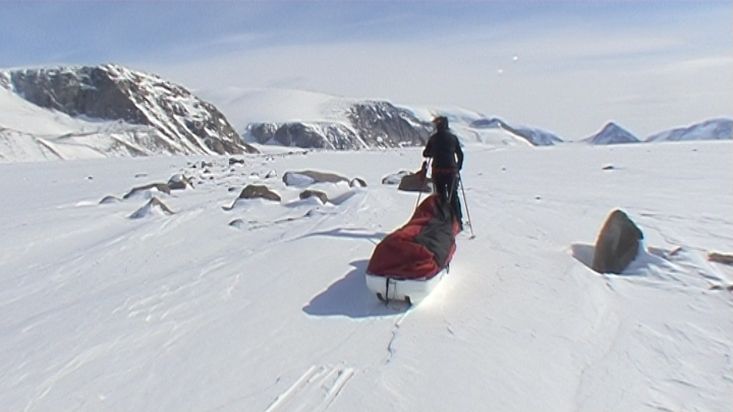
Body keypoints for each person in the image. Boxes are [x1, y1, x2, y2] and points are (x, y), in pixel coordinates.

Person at [422, 115, 464, 228]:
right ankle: (458, 221)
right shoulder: (453, 138)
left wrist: (434, 151)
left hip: (438, 170)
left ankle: (442, 220)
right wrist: (458, 167)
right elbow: (460, 154)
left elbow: (425, 154)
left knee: (440, 196)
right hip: (451, 171)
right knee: (453, 195)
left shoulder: (433, 138)